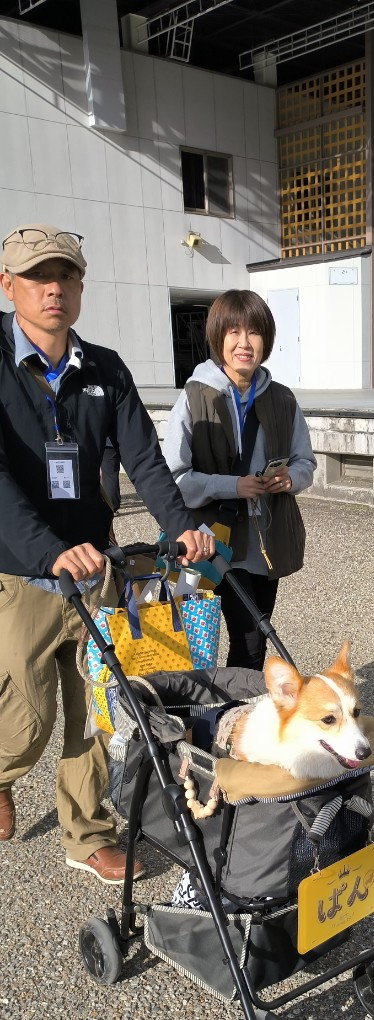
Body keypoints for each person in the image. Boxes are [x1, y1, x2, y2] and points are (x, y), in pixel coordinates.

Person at [0, 223, 211, 882]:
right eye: (37, 277)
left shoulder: (105, 368)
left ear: (80, 285)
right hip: (22, 569)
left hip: (99, 567)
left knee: (96, 705)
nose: (52, 289)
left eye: (64, 276)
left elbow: (145, 460)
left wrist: (181, 527)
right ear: (8, 286)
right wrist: (47, 550)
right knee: (29, 714)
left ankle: (86, 832)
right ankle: (1, 773)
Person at [163, 289, 316, 669]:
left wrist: (289, 480)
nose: (244, 343)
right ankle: (216, 718)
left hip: (266, 540)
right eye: (233, 332)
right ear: (217, 337)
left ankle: (235, 719)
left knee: (254, 640)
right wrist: (233, 485)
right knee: (202, 640)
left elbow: (305, 463)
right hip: (210, 539)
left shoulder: (282, 399)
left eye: (254, 332)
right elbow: (173, 477)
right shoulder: (195, 396)